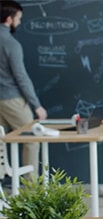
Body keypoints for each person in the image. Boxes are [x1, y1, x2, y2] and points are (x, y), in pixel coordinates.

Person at [0, 0, 47, 178]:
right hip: (12, 100)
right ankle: (30, 190)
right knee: (31, 139)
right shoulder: (11, 44)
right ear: (8, 19)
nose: (19, 22)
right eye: (18, 18)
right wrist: (37, 106)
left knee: (0, 144)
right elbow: (21, 77)